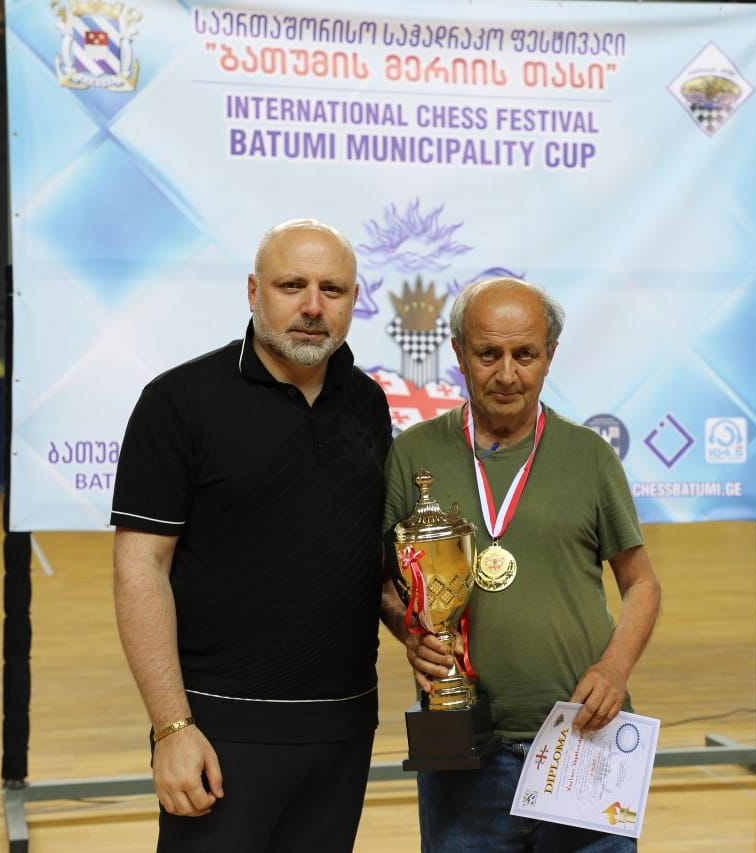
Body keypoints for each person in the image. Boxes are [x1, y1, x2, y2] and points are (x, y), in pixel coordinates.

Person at [111, 218, 393, 852]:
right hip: (220, 732)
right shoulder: (178, 402)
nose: (313, 306)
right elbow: (140, 570)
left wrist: (421, 627)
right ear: (252, 291)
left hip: (345, 728)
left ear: (354, 299)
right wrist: (172, 728)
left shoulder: (368, 404)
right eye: (292, 285)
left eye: (332, 289)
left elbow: (363, 562)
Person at [381, 277, 662, 852]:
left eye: (525, 354)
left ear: (550, 356)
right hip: (463, 746)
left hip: (582, 739)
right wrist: (411, 633)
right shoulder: (413, 453)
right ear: (459, 353)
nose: (507, 374)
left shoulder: (590, 456)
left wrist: (614, 669)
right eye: (488, 354)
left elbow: (642, 585)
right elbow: (381, 582)